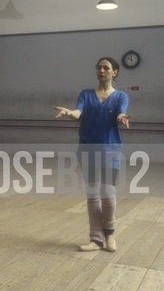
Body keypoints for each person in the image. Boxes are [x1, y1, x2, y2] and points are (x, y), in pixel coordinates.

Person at [55, 57, 130, 253]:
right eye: (99, 68)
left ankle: (110, 234)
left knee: (108, 195)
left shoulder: (121, 96)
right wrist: (70, 113)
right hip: (87, 150)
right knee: (93, 196)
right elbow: (79, 112)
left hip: (111, 151)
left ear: (115, 72)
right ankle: (95, 239)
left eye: (106, 68)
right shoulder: (86, 94)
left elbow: (121, 113)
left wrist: (121, 117)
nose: (101, 71)